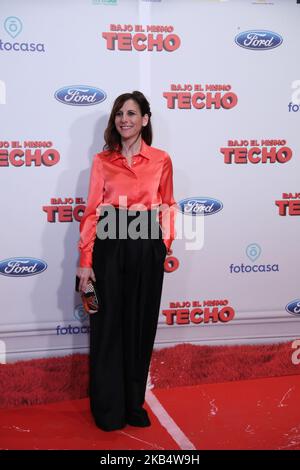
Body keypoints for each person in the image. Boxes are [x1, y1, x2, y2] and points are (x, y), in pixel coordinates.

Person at [76, 91, 176, 432]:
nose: (125, 119)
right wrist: (85, 260)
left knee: (139, 324)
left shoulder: (161, 159)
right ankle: (108, 408)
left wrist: (163, 244)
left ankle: (133, 403)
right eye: (119, 114)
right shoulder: (102, 161)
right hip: (109, 243)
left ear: (145, 119)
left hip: (146, 245)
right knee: (106, 324)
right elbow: (91, 213)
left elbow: (168, 204)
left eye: (132, 113)